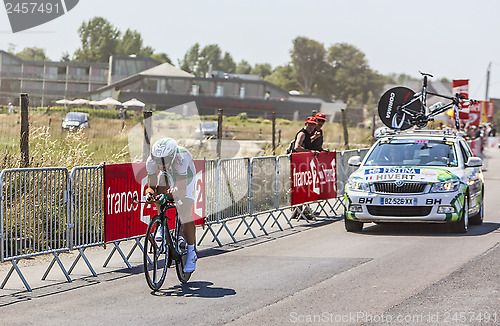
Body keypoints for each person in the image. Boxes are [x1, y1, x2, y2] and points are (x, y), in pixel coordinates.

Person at [144, 137, 197, 273]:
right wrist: (150, 194)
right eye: (158, 161)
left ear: (172, 155)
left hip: (186, 175)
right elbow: (151, 186)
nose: (161, 164)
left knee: (184, 213)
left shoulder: (182, 157)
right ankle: (162, 222)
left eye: (165, 160)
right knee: (159, 188)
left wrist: (166, 197)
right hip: (168, 174)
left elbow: (182, 191)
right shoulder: (151, 161)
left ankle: (191, 252)